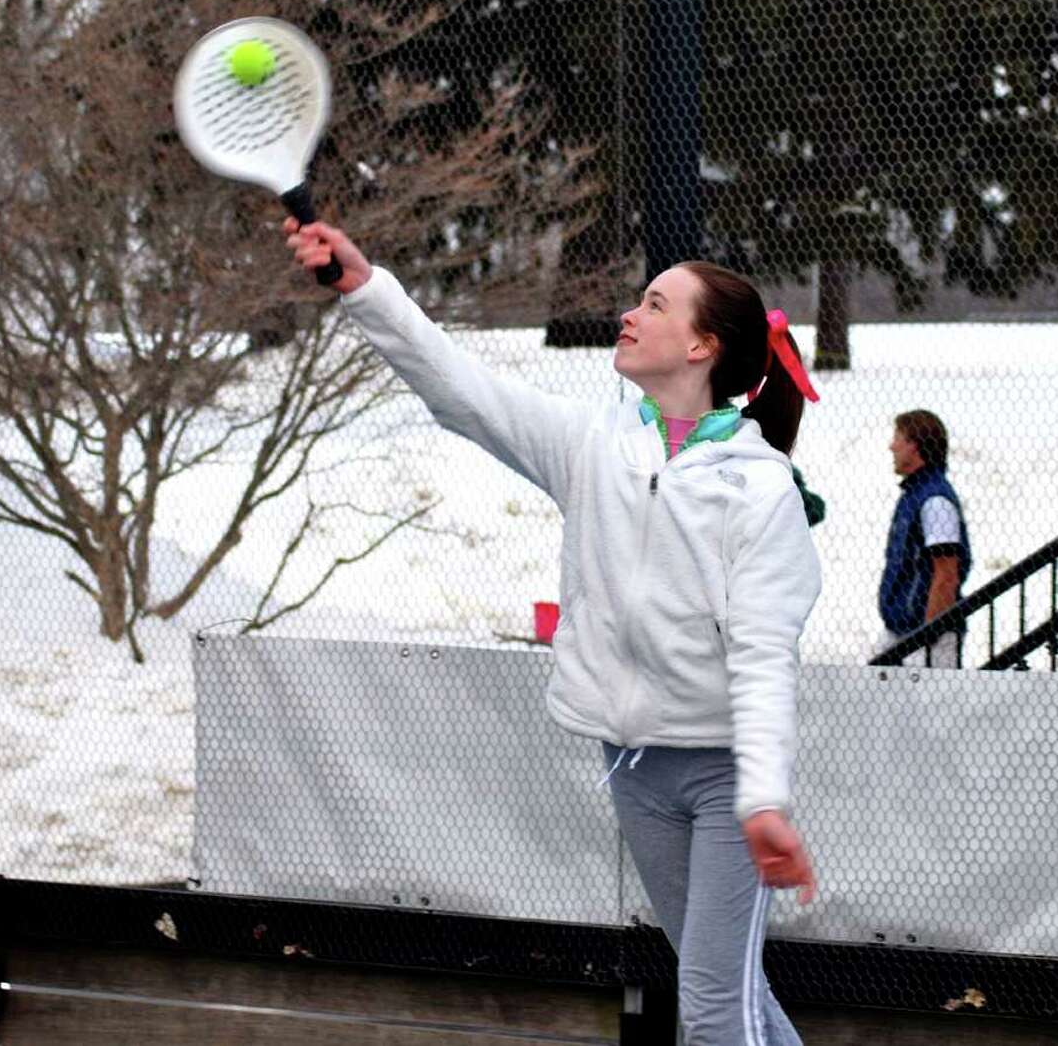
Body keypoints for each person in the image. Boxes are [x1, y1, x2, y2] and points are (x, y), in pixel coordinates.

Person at [285, 219, 823, 1045]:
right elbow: (462, 389)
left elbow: (763, 656)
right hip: (635, 764)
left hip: (724, 779)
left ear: (701, 346)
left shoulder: (759, 491)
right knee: (725, 989)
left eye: (654, 304)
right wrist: (365, 287)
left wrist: (762, 798)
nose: (629, 316)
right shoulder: (592, 446)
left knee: (714, 1006)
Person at [877, 409, 972, 668]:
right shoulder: (915, 495)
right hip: (901, 631)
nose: (891, 446)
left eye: (898, 437)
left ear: (915, 445)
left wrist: (928, 635)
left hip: (925, 639)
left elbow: (946, 574)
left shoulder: (935, 501)